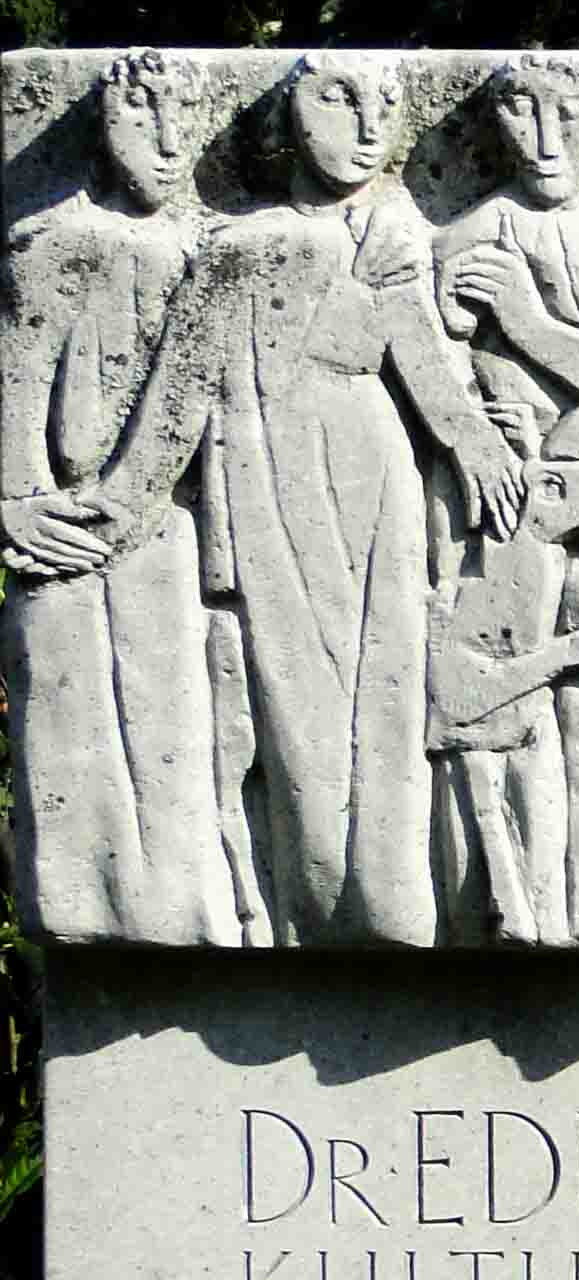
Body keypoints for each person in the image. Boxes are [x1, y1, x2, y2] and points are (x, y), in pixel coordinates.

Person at [84, 51, 525, 947]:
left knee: (389, 678)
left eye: (386, 106)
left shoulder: (392, 234)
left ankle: (395, 898)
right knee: (297, 694)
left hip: (373, 467)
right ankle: (321, 899)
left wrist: (477, 440)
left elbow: (425, 362)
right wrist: (115, 503)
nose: (368, 126)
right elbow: (180, 390)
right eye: (340, 99)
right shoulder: (240, 247)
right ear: (288, 118)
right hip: (269, 473)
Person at [431, 52, 579, 945]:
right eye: (520, 119)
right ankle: (519, 905)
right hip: (504, 520)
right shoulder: (472, 234)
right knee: (506, 722)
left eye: (564, 118)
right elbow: (433, 370)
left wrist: (530, 325)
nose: (542, 142)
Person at [0, 50, 233, 945]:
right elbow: (18, 381)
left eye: (185, 123)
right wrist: (20, 499)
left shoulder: (206, 248)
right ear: (105, 127)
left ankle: (181, 916)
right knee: (77, 736)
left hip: (166, 528)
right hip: (68, 529)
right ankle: (100, 919)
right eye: (145, 121)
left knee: (174, 734)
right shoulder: (57, 244)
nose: (168, 145)